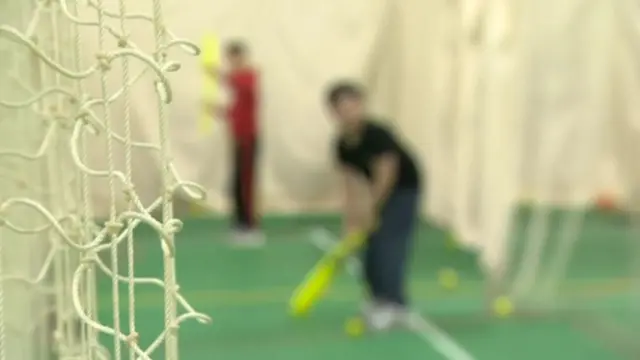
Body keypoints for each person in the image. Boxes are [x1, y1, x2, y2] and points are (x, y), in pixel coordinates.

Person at [327, 81, 422, 330]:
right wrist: (350, 222)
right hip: (376, 192)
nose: (349, 112)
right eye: (342, 107)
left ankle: (396, 306)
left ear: (362, 105)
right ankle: (377, 299)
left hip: (404, 189)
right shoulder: (341, 145)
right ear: (334, 112)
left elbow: (387, 172)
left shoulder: (377, 133)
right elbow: (350, 183)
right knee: (368, 247)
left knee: (388, 244)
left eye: (354, 105)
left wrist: (371, 209)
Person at [210, 40, 263, 246]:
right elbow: (238, 111)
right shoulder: (237, 84)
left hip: (249, 138)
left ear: (242, 56)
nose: (231, 61)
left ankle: (250, 225)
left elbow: (244, 87)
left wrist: (221, 76)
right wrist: (220, 111)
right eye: (229, 58)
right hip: (238, 139)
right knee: (237, 182)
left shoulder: (249, 76)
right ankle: (240, 223)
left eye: (234, 57)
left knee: (246, 183)